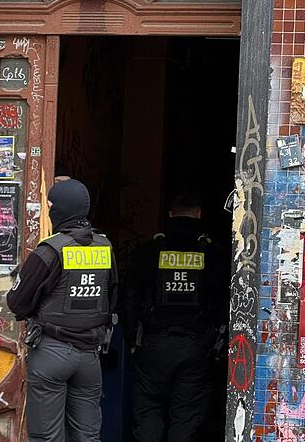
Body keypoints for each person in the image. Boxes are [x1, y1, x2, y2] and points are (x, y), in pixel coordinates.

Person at [7, 178, 118, 442]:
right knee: (87, 437)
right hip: (90, 356)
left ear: (60, 211)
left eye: (51, 205)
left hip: (52, 353)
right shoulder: (105, 247)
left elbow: (17, 302)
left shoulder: (49, 250)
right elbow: (112, 296)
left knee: (47, 437)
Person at [123, 189, 227, 442]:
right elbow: (225, 300)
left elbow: (129, 297)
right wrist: (217, 344)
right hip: (196, 346)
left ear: (170, 214)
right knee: (186, 416)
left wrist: (131, 341)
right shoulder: (213, 254)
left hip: (153, 344)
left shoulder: (149, 251)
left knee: (148, 411)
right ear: (199, 214)